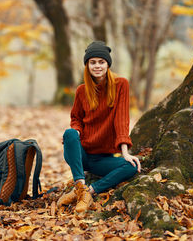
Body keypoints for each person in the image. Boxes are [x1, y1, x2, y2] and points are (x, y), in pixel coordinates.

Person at [58, 41, 141, 213]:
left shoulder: (121, 85)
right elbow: (76, 118)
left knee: (132, 167)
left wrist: (125, 152)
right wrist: (77, 133)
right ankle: (80, 184)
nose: (97, 66)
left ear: (107, 64)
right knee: (69, 133)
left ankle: (89, 192)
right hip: (83, 154)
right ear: (87, 65)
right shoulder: (82, 91)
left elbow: (122, 119)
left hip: (102, 159)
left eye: (101, 62)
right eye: (93, 62)